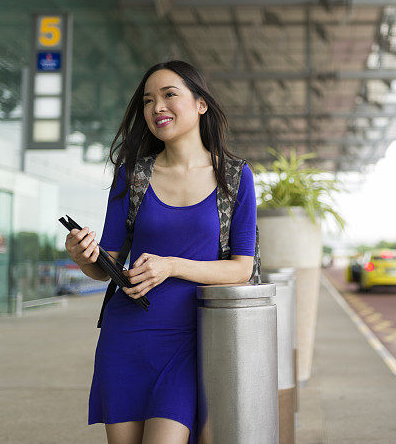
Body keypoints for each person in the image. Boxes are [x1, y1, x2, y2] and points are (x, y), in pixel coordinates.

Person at [64, 60, 257, 444]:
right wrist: (85, 256)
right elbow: (110, 267)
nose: (157, 107)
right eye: (148, 100)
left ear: (201, 103)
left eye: (170, 95)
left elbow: (241, 268)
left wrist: (172, 265)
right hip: (127, 335)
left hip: (191, 338)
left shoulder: (235, 176)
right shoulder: (132, 173)